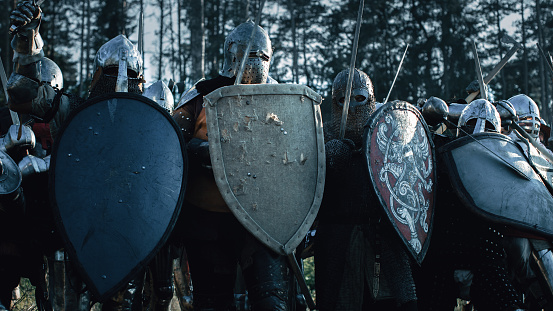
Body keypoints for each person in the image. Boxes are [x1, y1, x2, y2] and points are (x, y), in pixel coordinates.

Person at [6, 2, 160, 310]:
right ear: (98, 74)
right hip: (72, 231)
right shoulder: (72, 109)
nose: (120, 81)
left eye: (128, 75)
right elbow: (23, 93)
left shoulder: (152, 126)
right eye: (113, 73)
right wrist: (28, 40)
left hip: (125, 235)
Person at [171, 21, 293, 311]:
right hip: (207, 219)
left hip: (262, 219)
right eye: (251, 54)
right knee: (214, 303)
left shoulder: (282, 98)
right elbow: (172, 141)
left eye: (262, 57)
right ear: (232, 52)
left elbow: (295, 150)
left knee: (271, 301)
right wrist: (204, 152)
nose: (255, 63)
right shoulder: (202, 94)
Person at [314, 68, 418, 311]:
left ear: (370, 99)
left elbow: (408, 184)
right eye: (344, 99)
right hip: (337, 236)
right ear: (335, 102)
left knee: (389, 302)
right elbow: (310, 188)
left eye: (359, 97)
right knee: (339, 301)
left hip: (382, 236)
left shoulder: (388, 135)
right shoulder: (323, 136)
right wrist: (330, 157)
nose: (351, 105)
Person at [416, 98, 524, 310]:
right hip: (442, 253)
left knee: (500, 290)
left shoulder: (505, 165)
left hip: (485, 254)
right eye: (471, 124)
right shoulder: (440, 153)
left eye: (488, 127)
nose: (479, 131)